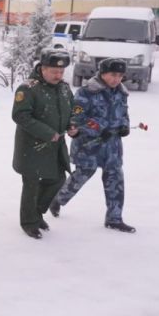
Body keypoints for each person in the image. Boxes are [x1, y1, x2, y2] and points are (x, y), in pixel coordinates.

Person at [50, 58, 135, 233]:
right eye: (113, 75)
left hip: (112, 146)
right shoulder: (87, 92)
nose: (116, 79)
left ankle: (114, 218)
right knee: (80, 177)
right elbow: (76, 119)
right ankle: (57, 199)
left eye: (120, 76)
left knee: (115, 181)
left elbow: (123, 112)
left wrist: (125, 125)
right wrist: (98, 128)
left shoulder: (121, 92)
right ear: (102, 73)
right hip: (89, 145)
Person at [12, 49, 77, 239]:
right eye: (54, 72)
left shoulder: (64, 88)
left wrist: (73, 125)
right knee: (31, 184)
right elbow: (20, 115)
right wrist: (48, 133)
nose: (59, 75)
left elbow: (74, 109)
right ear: (43, 69)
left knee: (57, 180)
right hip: (32, 147)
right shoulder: (28, 88)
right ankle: (29, 222)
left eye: (62, 72)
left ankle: (37, 213)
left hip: (55, 146)